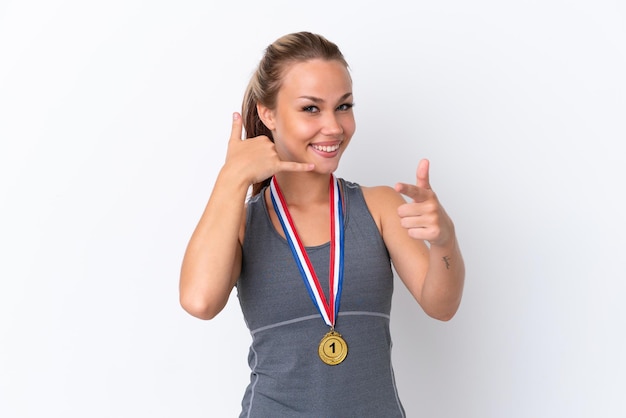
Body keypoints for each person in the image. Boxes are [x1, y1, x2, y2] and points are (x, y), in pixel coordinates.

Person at [179, 31, 465, 417]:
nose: (333, 126)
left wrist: (445, 241)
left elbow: (441, 306)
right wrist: (232, 178)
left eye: (343, 106)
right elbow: (199, 301)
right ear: (268, 114)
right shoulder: (245, 224)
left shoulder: (378, 206)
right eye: (311, 109)